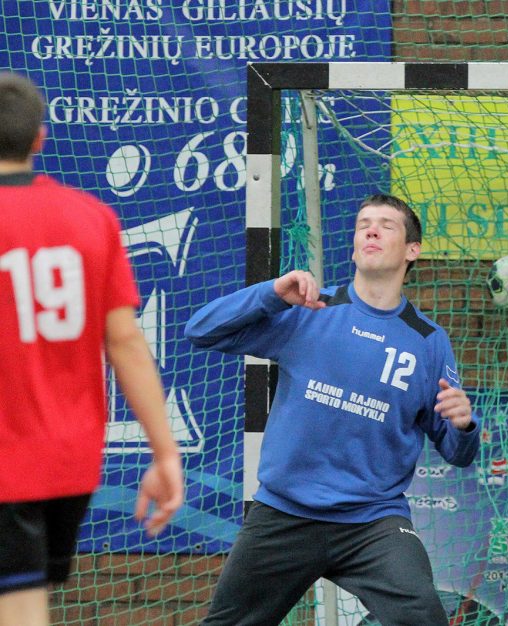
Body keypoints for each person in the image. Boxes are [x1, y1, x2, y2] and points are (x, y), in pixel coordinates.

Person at [187, 193, 481, 625]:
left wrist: (465, 424)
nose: (372, 230)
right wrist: (270, 294)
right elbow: (201, 331)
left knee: (424, 618)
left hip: (372, 522)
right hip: (284, 513)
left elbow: (459, 453)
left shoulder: (428, 341)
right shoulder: (309, 308)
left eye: (386, 224)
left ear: (412, 250)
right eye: (364, 223)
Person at [0, 73, 184, 626]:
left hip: (8, 459)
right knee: (26, 602)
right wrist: (165, 452)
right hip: (67, 464)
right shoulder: (91, 218)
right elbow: (126, 341)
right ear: (40, 139)